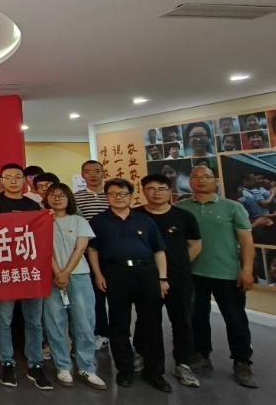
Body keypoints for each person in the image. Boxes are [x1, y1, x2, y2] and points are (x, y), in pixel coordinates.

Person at [175, 165, 258, 388]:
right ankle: (201, 354)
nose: (201, 180)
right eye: (196, 176)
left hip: (227, 273)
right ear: (190, 181)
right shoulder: (180, 208)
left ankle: (242, 361)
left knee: (235, 319)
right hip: (193, 273)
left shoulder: (232, 207)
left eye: (206, 177)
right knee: (196, 317)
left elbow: (246, 241)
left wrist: (247, 270)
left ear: (216, 181)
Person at [86, 178, 171, 392]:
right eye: (113, 194)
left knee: (152, 324)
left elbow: (159, 251)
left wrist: (162, 279)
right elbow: (93, 250)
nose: (118, 197)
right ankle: (125, 370)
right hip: (115, 274)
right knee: (119, 324)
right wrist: (98, 275)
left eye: (123, 194)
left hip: (146, 273)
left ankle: (155, 372)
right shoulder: (98, 221)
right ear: (107, 196)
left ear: (131, 196)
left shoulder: (145, 220)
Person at [0, 163, 52, 390]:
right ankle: (7, 363)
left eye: (17, 177)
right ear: (1, 180)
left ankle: (35, 364)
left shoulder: (33, 205)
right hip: (4, 269)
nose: (13, 181)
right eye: (8, 177)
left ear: (24, 180)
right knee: (4, 318)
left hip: (30, 269)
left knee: (34, 320)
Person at [138, 174, 202, 387]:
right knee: (147, 320)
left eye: (162, 189)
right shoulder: (136, 215)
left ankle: (183, 363)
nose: (156, 193)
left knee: (182, 320)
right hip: (145, 277)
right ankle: (145, 358)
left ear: (170, 191)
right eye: (151, 189)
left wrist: (179, 265)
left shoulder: (183, 216)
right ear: (143, 191)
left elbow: (195, 245)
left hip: (178, 278)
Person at [42, 183, 106, 389]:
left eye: (62, 195)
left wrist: (66, 272)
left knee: (84, 323)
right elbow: (43, 249)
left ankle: (86, 367)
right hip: (51, 277)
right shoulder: (42, 221)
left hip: (78, 276)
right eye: (53, 195)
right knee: (54, 323)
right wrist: (58, 272)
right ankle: (62, 366)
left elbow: (80, 249)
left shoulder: (79, 220)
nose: (57, 198)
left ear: (69, 199)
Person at [73, 160, 110, 350]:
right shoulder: (76, 198)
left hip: (113, 252)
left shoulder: (112, 194)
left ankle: (121, 334)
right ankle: (100, 333)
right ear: (82, 175)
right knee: (95, 297)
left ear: (103, 173)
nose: (93, 175)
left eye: (97, 171)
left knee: (117, 296)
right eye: (88, 172)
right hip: (88, 253)